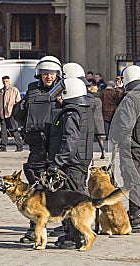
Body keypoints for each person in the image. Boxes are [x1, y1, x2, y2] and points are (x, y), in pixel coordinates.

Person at [13, 55, 62, 243]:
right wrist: (21, 105)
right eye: (45, 73)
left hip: (56, 146)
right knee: (35, 186)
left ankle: (66, 227)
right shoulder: (32, 90)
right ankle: (34, 228)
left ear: (58, 74)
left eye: (51, 73)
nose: (48, 77)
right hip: (37, 146)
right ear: (39, 74)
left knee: (58, 188)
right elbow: (19, 115)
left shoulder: (63, 91)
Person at [109, 65, 140, 233]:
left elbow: (125, 124)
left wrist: (114, 138)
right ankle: (136, 216)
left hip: (131, 148)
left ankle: (136, 219)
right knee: (139, 183)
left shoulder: (131, 98)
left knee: (135, 184)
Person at [48, 77, 94, 249]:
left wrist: (57, 162)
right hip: (79, 161)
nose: (59, 97)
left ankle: (74, 238)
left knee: (72, 200)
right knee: (74, 197)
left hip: (72, 163)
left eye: (62, 93)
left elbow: (70, 141)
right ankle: (70, 234)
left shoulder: (71, 112)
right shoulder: (84, 109)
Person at [0, 75, 24, 152]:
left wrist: (15, 112)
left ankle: (19, 146)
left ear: (9, 81)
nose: (5, 83)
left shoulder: (14, 90)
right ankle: (3, 147)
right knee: (3, 132)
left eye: (6, 81)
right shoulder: (0, 92)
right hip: (3, 114)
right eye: (4, 81)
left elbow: (18, 102)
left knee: (14, 130)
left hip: (11, 114)